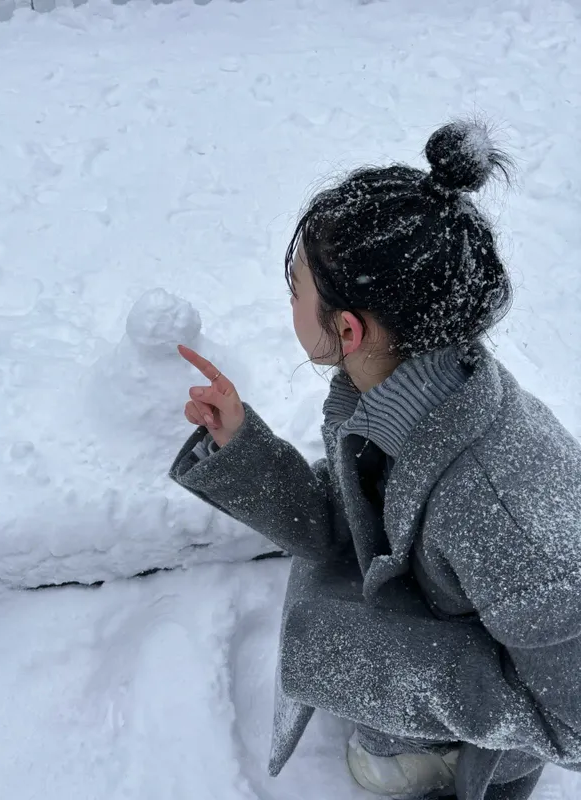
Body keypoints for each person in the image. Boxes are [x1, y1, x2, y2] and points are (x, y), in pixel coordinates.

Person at [169, 120, 581, 800]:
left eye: (294, 286)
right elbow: (349, 520)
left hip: (480, 742)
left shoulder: (503, 509)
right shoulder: (399, 390)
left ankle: (436, 764)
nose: (289, 301)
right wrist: (242, 446)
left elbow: (572, 721)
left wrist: (383, 665)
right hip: (443, 629)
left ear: (350, 328)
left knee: (374, 762)